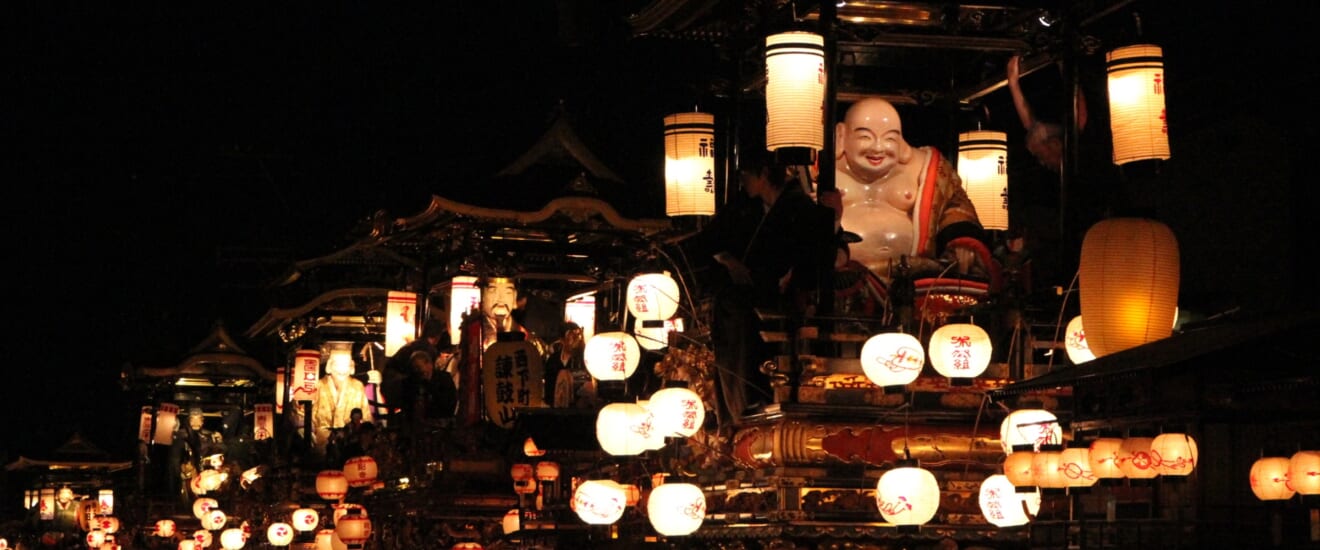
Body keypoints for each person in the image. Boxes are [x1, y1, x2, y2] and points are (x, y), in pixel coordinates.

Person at [689, 156, 837, 422]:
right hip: (740, 304)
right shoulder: (745, 206)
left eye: (746, 173)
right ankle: (736, 414)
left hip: (773, 305)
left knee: (753, 372)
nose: (743, 180)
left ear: (765, 173)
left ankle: (746, 412)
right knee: (735, 362)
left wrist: (834, 218)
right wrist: (728, 260)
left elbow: (820, 252)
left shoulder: (797, 206)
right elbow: (709, 241)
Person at [834, 96, 995, 286]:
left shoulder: (927, 167)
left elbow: (954, 204)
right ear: (842, 134)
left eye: (889, 139)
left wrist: (960, 240)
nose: (878, 148)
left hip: (910, 277)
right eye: (865, 137)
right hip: (839, 279)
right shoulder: (820, 168)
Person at [1006, 54, 1088, 172]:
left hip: (1033, 69)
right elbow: (1071, 79)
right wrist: (1059, 57)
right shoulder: (1076, 122)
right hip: (1049, 62)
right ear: (1057, 148)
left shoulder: (1038, 133)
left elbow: (1029, 123)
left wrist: (1013, 81)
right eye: (1047, 159)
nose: (1041, 161)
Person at [312, 349, 373, 452]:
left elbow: (366, 416)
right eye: (337, 365)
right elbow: (301, 412)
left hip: (350, 442)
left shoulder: (357, 386)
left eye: (346, 365)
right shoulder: (318, 386)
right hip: (321, 441)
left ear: (351, 367)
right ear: (330, 366)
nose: (342, 370)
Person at [544, 321, 595, 408]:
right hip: (556, 409)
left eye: (578, 335)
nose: (576, 339)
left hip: (578, 410)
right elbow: (548, 388)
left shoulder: (585, 359)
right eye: (571, 335)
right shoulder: (553, 360)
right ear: (562, 340)